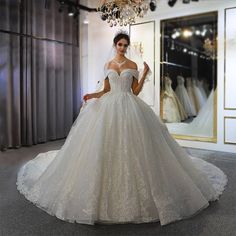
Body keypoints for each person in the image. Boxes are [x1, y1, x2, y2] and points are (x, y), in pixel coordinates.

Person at [17, 32, 227, 226]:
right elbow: (107, 89)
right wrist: (92, 95)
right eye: (120, 44)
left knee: (137, 147)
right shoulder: (108, 63)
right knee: (102, 147)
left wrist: (144, 73)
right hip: (109, 105)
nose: (123, 48)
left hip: (130, 106)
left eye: (125, 45)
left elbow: (134, 91)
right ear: (115, 44)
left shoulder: (132, 64)